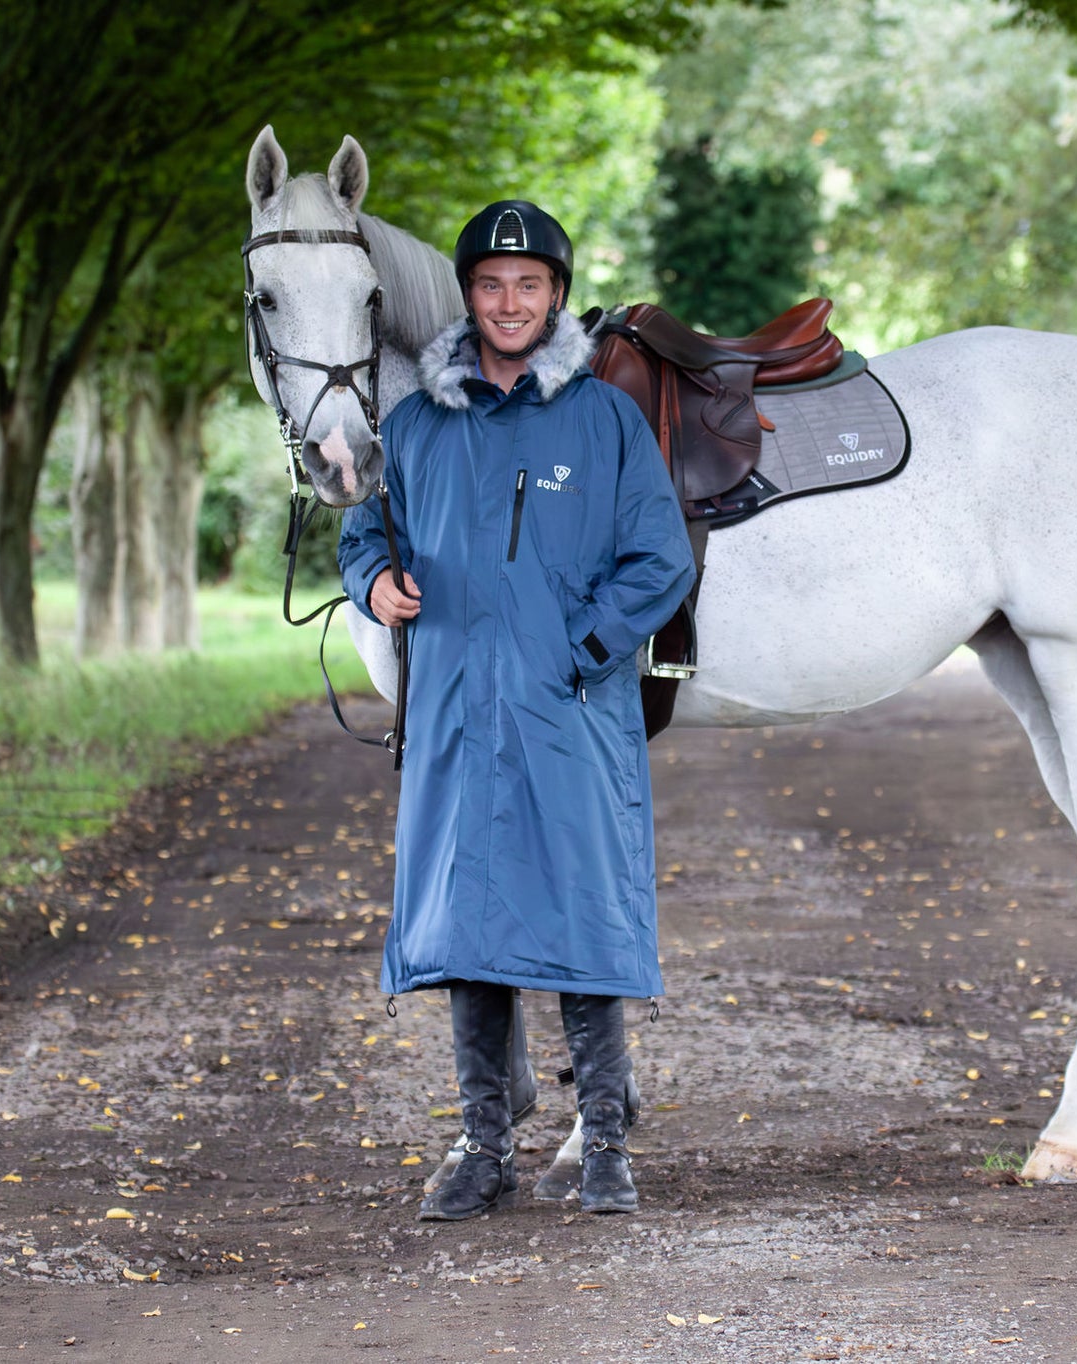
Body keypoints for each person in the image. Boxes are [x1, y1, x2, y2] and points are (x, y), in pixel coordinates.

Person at [337, 200, 694, 1220]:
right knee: (468, 925)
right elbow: (364, 535)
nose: (508, 302)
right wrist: (374, 585)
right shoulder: (412, 425)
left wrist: (584, 645)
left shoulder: (600, 419)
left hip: (566, 711)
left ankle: (606, 1149)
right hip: (455, 712)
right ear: (467, 296)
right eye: (490, 285)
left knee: (583, 913)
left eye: (527, 285)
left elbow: (659, 558)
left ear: (554, 297)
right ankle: (481, 1145)